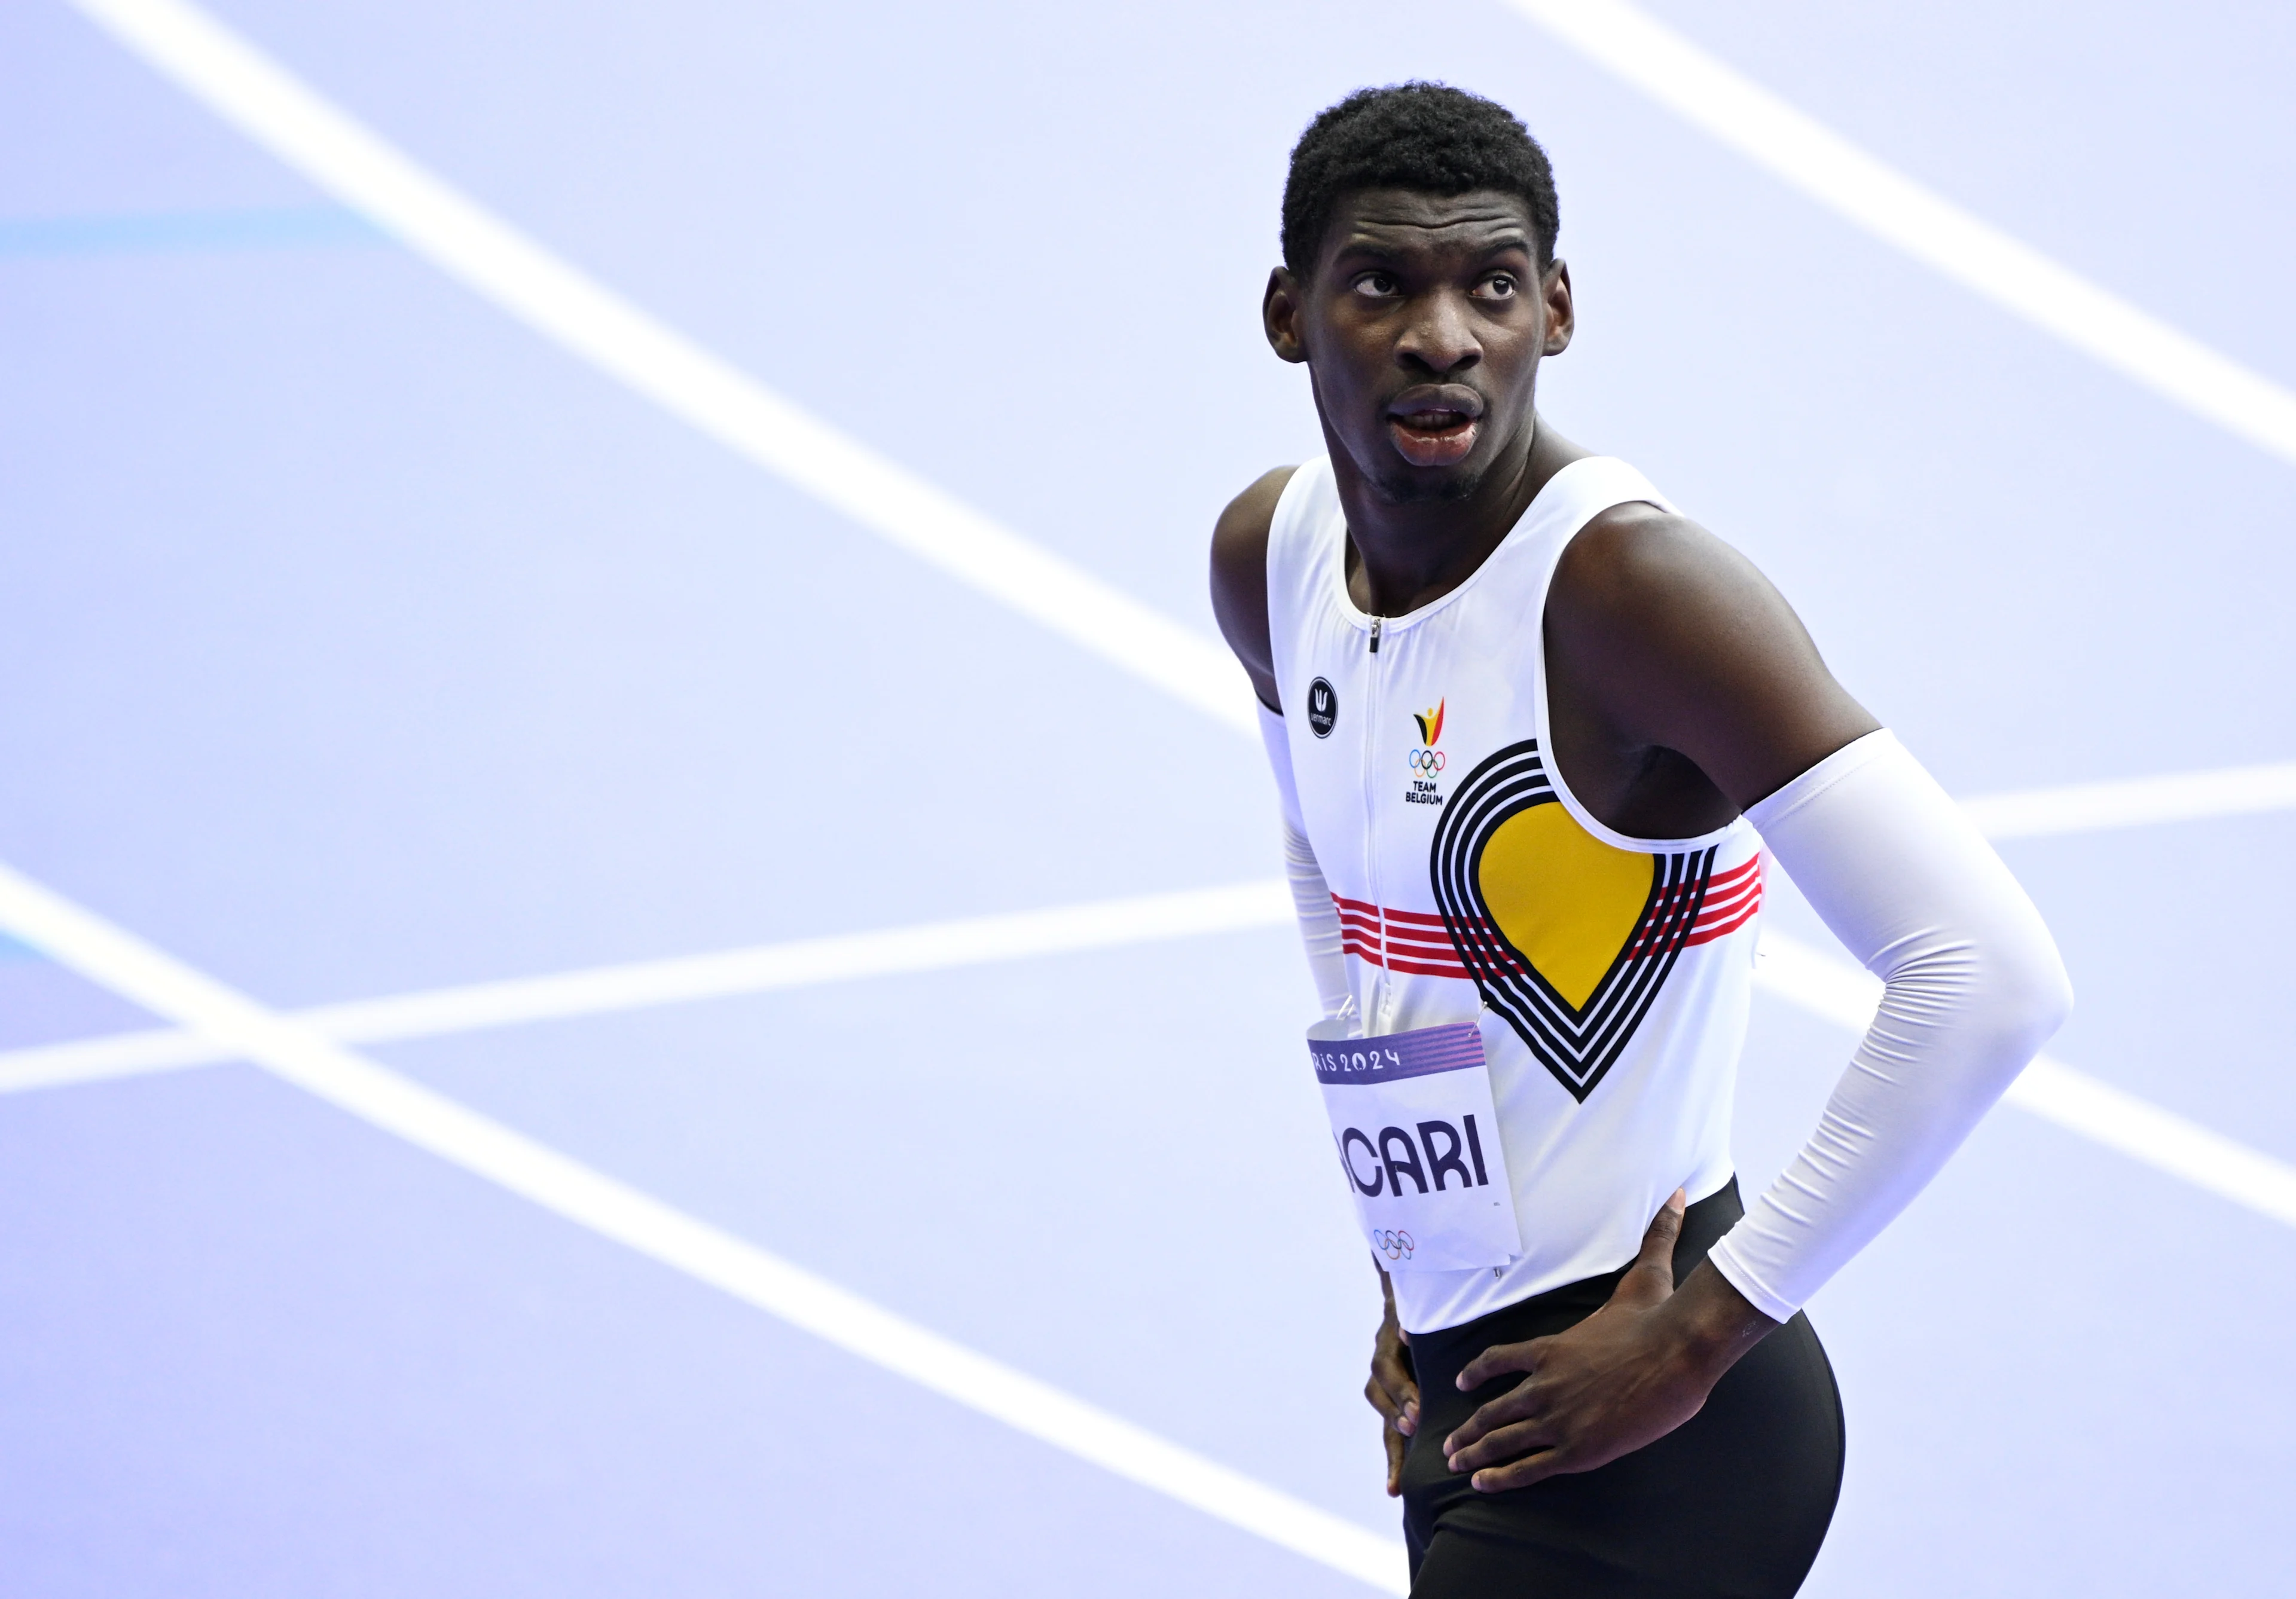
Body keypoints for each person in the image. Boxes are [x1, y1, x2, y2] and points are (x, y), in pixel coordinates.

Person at [1210, 84, 2072, 1598]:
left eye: (1491, 285)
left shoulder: (1635, 598)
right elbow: (1336, 883)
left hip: (1664, 1418)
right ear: (1289, 315)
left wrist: (1698, 1334)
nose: (1442, 336)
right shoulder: (1270, 558)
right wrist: (1412, 1259)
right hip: (1478, 1388)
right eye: (1381, 285)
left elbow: (1989, 973)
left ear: (1556, 306)